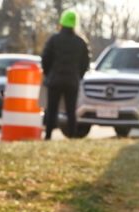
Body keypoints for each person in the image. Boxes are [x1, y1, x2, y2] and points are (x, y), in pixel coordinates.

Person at [40, 9, 89, 140]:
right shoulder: (81, 42)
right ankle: (72, 136)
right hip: (72, 81)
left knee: (52, 109)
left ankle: (48, 135)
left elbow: (45, 58)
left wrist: (48, 73)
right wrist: (79, 76)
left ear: (61, 23)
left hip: (55, 79)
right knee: (71, 110)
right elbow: (85, 63)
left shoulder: (54, 40)